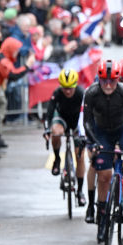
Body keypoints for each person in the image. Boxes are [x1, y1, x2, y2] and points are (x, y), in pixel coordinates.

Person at [82, 60, 123, 240]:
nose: (109, 85)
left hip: (122, 128)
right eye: (104, 81)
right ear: (99, 80)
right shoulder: (92, 93)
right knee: (103, 175)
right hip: (101, 131)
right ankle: (101, 213)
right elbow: (87, 121)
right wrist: (94, 142)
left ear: (118, 80)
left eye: (112, 81)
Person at [42, 69, 86, 208]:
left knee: (80, 156)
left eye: (70, 88)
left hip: (77, 122)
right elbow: (49, 113)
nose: (68, 91)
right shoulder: (57, 93)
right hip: (62, 120)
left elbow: (87, 114)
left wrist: (86, 132)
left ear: (75, 86)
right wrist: (47, 130)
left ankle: (79, 191)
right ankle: (57, 159)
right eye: (65, 88)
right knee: (56, 132)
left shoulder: (81, 93)